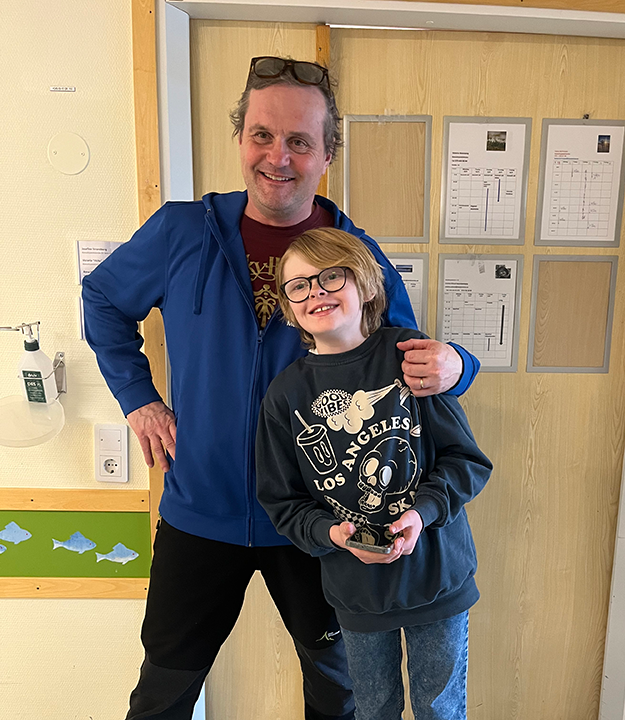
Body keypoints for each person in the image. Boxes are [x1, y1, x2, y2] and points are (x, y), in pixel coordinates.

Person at [82, 56, 480, 720]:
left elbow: (412, 360)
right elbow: (102, 299)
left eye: (299, 140)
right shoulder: (182, 232)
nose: (278, 156)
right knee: (162, 693)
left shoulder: (355, 256)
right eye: (262, 135)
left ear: (327, 154)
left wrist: (459, 366)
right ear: (241, 139)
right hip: (200, 513)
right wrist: (138, 399)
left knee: (339, 693)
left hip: (324, 528)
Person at [256, 227, 492, 720]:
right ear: (288, 306)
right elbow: (283, 501)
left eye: (331, 276)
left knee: (440, 710)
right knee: (373, 710)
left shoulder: (411, 357)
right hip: (356, 592)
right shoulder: (285, 396)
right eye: (299, 285)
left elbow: (466, 461)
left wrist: (422, 513)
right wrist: (331, 534)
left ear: (364, 283)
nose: (316, 292)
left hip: (437, 579)